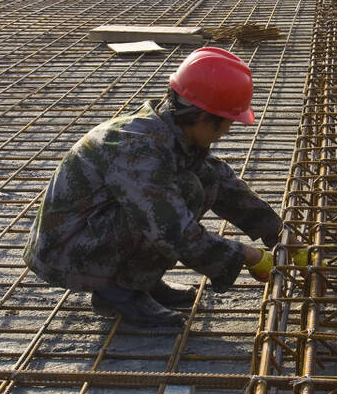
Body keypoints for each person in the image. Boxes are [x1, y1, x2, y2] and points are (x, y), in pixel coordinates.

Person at [24, 47, 297, 330]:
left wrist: (277, 233)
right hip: (67, 250)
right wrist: (246, 256)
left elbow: (224, 185)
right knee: (177, 198)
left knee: (201, 180)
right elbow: (173, 231)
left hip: (93, 232)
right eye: (226, 123)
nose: (226, 131)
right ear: (203, 118)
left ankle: (140, 281)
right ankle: (118, 292)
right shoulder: (139, 150)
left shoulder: (169, 132)